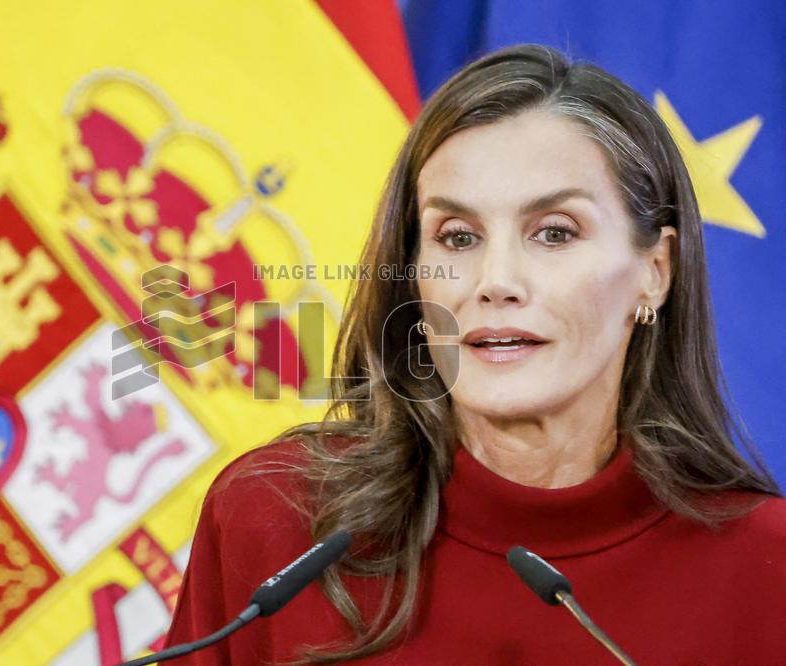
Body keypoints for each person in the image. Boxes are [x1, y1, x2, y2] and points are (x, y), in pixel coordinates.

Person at [160, 43, 786, 665]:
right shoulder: (273, 520)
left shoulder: (766, 569)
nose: (495, 280)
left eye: (554, 233)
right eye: (458, 238)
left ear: (655, 270)